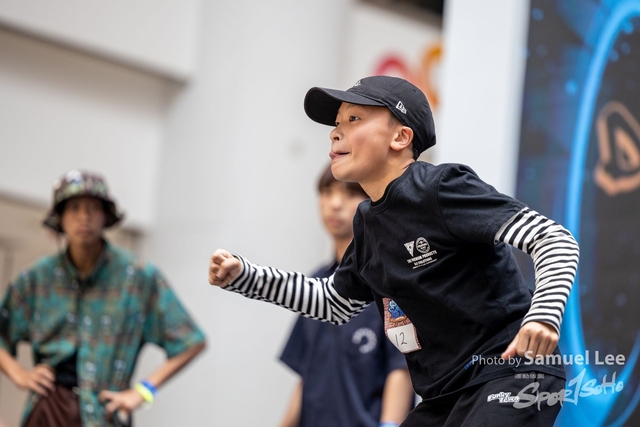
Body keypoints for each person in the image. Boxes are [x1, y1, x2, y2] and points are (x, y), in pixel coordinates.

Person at [208, 76, 579, 426]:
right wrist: (245, 276)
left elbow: (554, 240)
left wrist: (543, 317)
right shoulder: (367, 224)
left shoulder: (439, 187)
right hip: (443, 395)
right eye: (336, 123)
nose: (336, 132)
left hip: (510, 371)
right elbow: (334, 303)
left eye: (354, 119)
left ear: (400, 137)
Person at [0, 170, 206, 427]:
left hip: (105, 413)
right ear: (60, 217)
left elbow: (190, 340)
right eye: (74, 207)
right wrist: (19, 374)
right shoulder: (37, 278)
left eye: (93, 208)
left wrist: (143, 392)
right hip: (49, 410)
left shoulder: (136, 277)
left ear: (106, 215)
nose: (83, 216)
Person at [278, 164, 414, 427]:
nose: (335, 204)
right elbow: (306, 376)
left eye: (350, 194)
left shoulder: (391, 282)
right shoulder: (315, 283)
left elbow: (401, 367)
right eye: (327, 192)